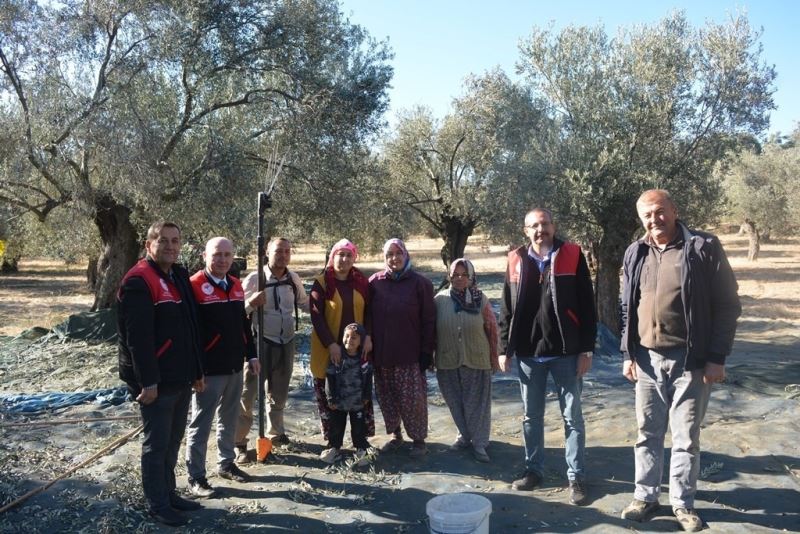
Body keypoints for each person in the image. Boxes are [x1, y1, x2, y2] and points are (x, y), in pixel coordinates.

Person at [619, 189, 740, 532]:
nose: (654, 220)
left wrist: (717, 357)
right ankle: (645, 496)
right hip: (645, 360)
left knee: (686, 437)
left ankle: (682, 504)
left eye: (659, 211)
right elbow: (627, 306)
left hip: (692, 361)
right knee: (647, 432)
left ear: (674, 209)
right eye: (646, 215)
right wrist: (628, 353)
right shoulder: (635, 252)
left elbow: (728, 304)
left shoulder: (703, 247)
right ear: (640, 218)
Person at [498, 208, 597, 506]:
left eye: (545, 224)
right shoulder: (515, 259)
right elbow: (506, 307)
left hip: (566, 352)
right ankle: (534, 470)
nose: (540, 229)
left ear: (554, 226)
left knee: (573, 417)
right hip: (529, 354)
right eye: (534, 226)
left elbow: (587, 306)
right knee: (531, 416)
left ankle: (576, 476)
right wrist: (504, 348)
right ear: (525, 230)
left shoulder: (572, 254)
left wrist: (586, 349)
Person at [117, 221, 205, 527]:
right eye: (162, 240)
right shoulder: (138, 281)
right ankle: (157, 504)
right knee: (156, 445)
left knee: (173, 440)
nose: (170, 246)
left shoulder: (178, 274)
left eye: (175, 241)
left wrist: (197, 370)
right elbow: (136, 340)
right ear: (148, 244)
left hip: (181, 375)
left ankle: (169, 493)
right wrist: (148, 382)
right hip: (157, 381)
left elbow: (191, 326)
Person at [185, 237, 259, 498]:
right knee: (201, 423)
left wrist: (251, 355)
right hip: (208, 371)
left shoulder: (236, 284)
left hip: (234, 367)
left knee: (228, 418)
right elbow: (190, 333)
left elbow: (243, 325)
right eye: (217, 254)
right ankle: (195, 477)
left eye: (227, 255)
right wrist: (196, 370)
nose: (223, 260)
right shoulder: (194, 286)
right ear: (205, 256)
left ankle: (226, 464)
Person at [235, 237, 309, 460]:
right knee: (247, 396)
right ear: (267, 252)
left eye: (287, 251)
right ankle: (238, 442)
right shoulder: (255, 279)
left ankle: (275, 434)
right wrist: (251, 303)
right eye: (278, 251)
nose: (283, 255)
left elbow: (304, 304)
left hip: (286, 342)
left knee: (279, 393)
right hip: (259, 344)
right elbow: (237, 312)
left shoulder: (292, 278)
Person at [369, 238, 436, 458]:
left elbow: (429, 320)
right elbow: (367, 316)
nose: (394, 258)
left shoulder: (420, 283)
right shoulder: (374, 282)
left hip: (410, 354)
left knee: (413, 400)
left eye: (398, 253)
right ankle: (395, 436)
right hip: (382, 354)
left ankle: (418, 440)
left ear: (406, 255)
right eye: (389, 254)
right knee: (387, 397)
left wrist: (427, 351)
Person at [309, 239, 375, 454]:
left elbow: (369, 312)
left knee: (358, 394)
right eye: (340, 254)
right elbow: (316, 316)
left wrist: (368, 337)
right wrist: (331, 345)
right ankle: (333, 443)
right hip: (329, 351)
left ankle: (361, 442)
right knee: (331, 396)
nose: (344, 259)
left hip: (356, 351)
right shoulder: (322, 282)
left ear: (354, 258)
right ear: (332, 256)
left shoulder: (362, 282)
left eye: (349, 255)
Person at [434, 258, 500, 463]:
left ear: (471, 277)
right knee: (455, 402)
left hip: (477, 358)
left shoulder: (481, 299)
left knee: (477, 404)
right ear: (449, 276)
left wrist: (494, 358)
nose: (459, 278)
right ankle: (463, 436)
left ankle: (480, 443)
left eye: (464, 275)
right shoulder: (439, 300)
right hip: (447, 360)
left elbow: (492, 330)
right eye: (455, 275)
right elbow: (430, 331)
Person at [320, 323, 374, 466]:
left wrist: (367, 397)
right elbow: (329, 378)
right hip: (339, 402)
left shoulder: (364, 359)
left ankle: (361, 449)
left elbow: (369, 379)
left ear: (361, 341)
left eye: (354, 338)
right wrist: (330, 398)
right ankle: (334, 448)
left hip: (357, 402)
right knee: (336, 426)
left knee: (359, 428)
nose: (349, 340)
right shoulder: (337, 357)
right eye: (346, 336)